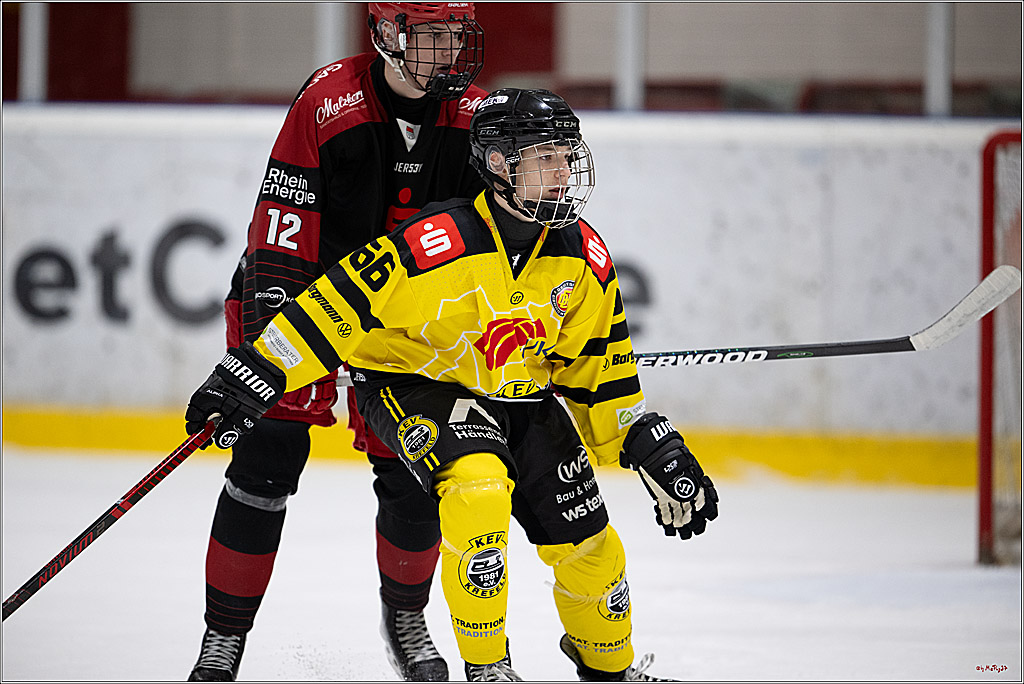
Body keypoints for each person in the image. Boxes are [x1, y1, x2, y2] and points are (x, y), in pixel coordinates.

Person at [184, 88, 719, 682]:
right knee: (478, 490)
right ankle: (489, 670)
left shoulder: (584, 255)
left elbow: (600, 369)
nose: (563, 172)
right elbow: (335, 305)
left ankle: (611, 670)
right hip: (415, 386)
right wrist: (255, 368)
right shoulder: (434, 244)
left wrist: (649, 439)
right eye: (545, 158)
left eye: (567, 156)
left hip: (521, 398)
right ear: (496, 165)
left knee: (593, 549)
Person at [186, 4, 486, 681]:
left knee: (414, 473)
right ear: (386, 34)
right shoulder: (328, 103)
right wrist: (265, 359)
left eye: (455, 36)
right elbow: (281, 235)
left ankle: (406, 618)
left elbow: (490, 248)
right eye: (430, 37)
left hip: (407, 323)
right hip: (304, 303)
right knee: (267, 460)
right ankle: (222, 638)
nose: (448, 52)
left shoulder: (474, 116)